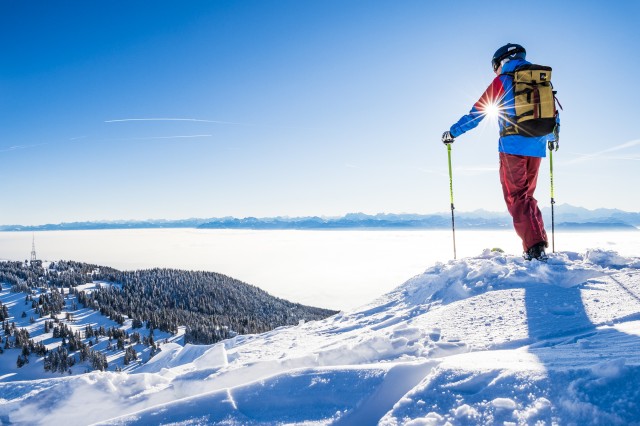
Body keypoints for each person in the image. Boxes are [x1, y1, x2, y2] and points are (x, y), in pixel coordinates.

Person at [441, 43, 560, 261]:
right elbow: (553, 115)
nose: (495, 71)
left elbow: (478, 113)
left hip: (512, 146)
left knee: (516, 198)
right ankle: (538, 242)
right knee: (526, 196)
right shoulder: (541, 81)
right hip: (537, 147)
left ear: (501, 62)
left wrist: (453, 132)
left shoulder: (503, 81)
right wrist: (552, 139)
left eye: (495, 66)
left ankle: (534, 249)